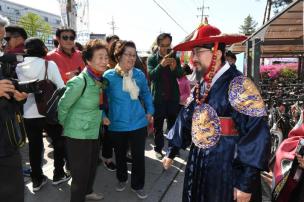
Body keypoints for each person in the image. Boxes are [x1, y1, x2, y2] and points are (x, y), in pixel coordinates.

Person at [162, 23, 271, 202]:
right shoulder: (202, 85)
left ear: (217, 53)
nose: (193, 58)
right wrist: (172, 150)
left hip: (227, 167)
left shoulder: (239, 84)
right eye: (192, 53)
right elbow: (187, 118)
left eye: (198, 52)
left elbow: (257, 133)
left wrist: (245, 182)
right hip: (199, 162)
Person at [58, 39, 109, 202]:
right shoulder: (80, 81)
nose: (105, 61)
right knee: (79, 176)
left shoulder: (99, 80)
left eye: (106, 57)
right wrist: (68, 127)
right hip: (77, 135)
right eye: (100, 57)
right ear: (88, 60)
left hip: (93, 132)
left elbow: (96, 107)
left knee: (91, 168)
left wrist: (103, 117)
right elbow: (63, 107)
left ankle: (88, 192)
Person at [16, 37, 69, 191]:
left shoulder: (19, 67)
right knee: (59, 142)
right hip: (49, 112)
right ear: (42, 49)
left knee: (35, 147)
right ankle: (58, 174)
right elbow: (61, 87)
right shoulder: (49, 64)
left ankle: (37, 180)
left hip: (28, 113)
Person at [103, 40, 154, 199]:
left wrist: (150, 110)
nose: (132, 58)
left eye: (134, 55)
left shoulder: (138, 74)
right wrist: (103, 116)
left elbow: (145, 93)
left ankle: (138, 185)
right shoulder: (108, 76)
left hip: (138, 122)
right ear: (118, 56)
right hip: (117, 124)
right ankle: (122, 178)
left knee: (138, 157)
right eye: (128, 55)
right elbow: (100, 100)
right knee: (120, 154)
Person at [0, 14, 27, 202]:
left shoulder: (3, 62)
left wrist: (18, 98)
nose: (2, 44)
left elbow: (8, 95)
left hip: (8, 140)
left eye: (2, 38)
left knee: (14, 193)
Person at [147, 33, 183, 159]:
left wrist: (174, 68)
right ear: (158, 45)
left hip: (172, 98)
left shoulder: (175, 58)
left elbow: (180, 75)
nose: (165, 48)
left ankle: (173, 149)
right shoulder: (152, 59)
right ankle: (158, 149)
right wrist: (161, 65)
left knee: (173, 125)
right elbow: (151, 76)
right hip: (159, 99)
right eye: (162, 45)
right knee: (158, 125)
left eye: (168, 45)